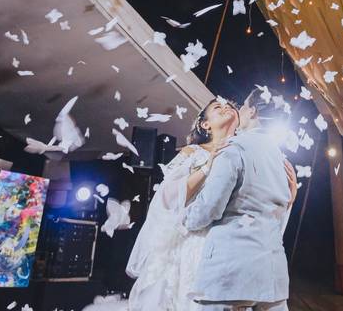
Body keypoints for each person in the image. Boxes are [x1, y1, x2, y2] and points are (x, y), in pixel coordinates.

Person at [184, 88, 295, 311]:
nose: (239, 110)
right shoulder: (279, 158)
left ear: (252, 111)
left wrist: (185, 217)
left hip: (231, 273)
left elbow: (209, 209)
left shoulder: (234, 149)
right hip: (273, 276)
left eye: (243, 106)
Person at [126, 98, 240, 311]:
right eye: (218, 107)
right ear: (205, 125)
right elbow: (168, 197)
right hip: (188, 244)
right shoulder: (193, 152)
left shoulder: (241, 157)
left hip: (225, 248)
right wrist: (208, 166)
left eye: (231, 106)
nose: (227, 107)